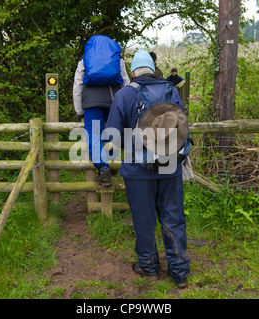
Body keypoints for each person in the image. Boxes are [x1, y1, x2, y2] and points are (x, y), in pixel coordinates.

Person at [105, 49, 190, 288]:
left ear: (133, 71)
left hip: (137, 168)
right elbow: (182, 125)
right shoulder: (170, 90)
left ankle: (149, 265)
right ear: (153, 69)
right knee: (173, 217)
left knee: (144, 219)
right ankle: (179, 271)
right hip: (170, 164)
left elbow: (113, 136)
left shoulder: (124, 94)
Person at [73, 37, 130, 186]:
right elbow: (126, 83)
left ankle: (103, 167)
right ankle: (113, 163)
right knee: (113, 132)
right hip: (114, 101)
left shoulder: (84, 59)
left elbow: (77, 86)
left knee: (94, 135)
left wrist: (79, 112)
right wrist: (126, 107)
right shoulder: (118, 59)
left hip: (91, 104)